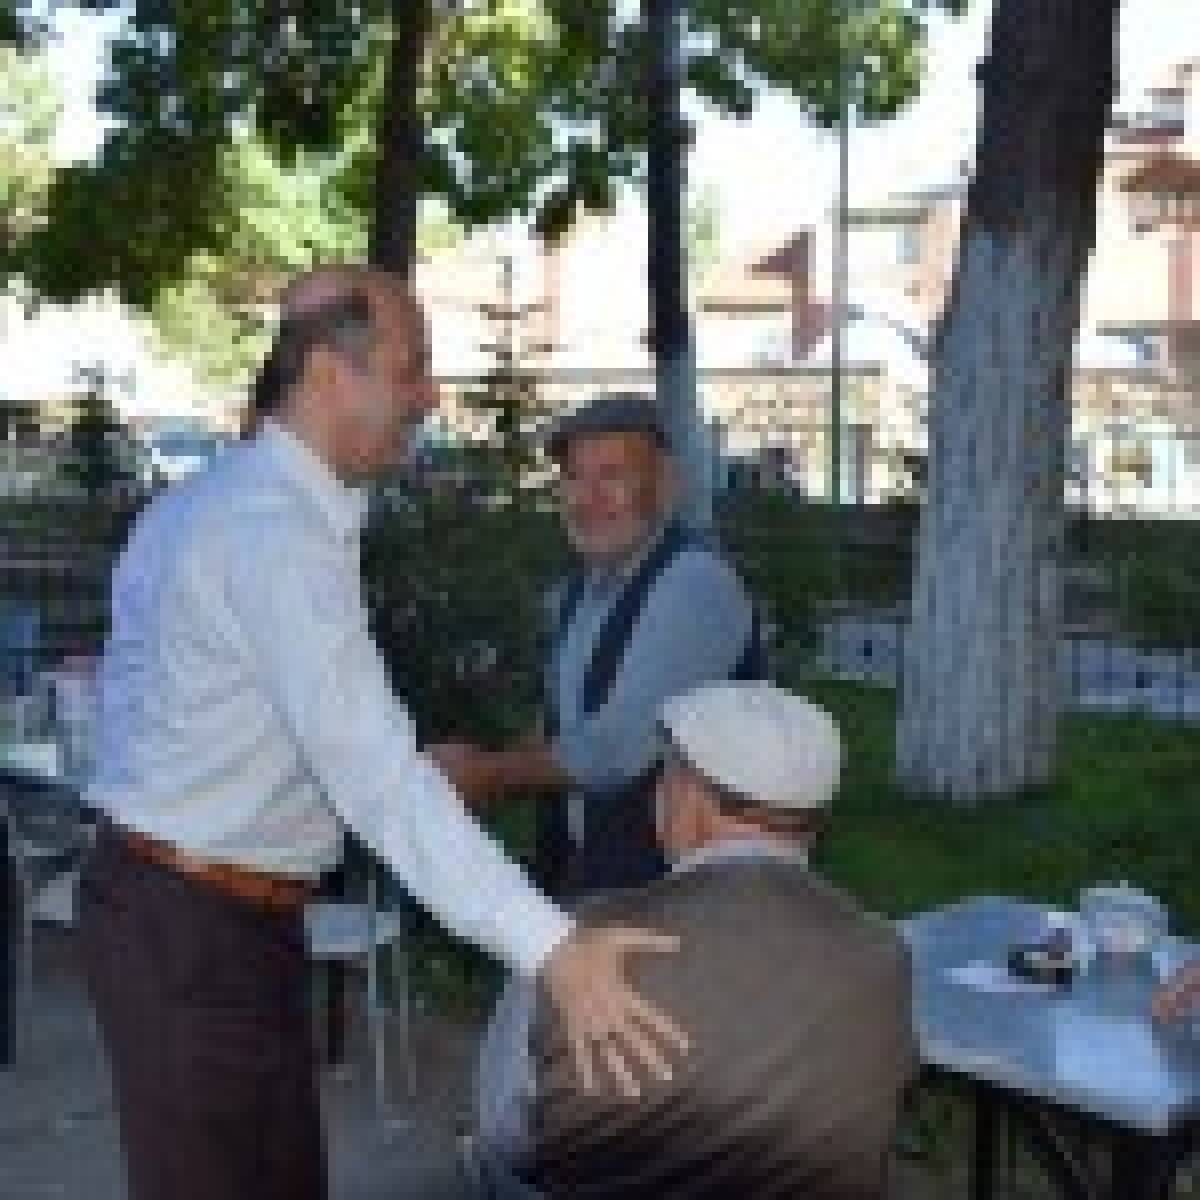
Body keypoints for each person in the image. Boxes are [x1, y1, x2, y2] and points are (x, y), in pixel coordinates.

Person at [78, 266, 687, 1200]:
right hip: (192, 927)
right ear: (331, 374)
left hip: (206, 914)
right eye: (411, 369)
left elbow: (208, 717)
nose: (429, 396)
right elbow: (376, 780)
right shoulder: (271, 531)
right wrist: (556, 952)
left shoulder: (230, 505)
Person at [473, 681, 917, 1200]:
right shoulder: (884, 955)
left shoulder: (569, 945)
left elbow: (503, 1135)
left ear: (690, 800)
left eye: (665, 774)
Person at [431, 391, 765, 898]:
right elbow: (566, 730)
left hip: (686, 899)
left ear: (666, 485)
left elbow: (614, 752)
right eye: (574, 478)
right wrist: (473, 768)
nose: (587, 499)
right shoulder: (584, 591)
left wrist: (486, 775)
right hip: (603, 884)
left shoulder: (693, 585)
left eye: (612, 476)